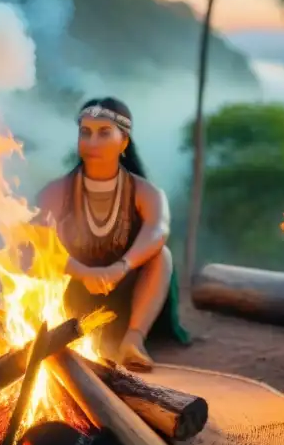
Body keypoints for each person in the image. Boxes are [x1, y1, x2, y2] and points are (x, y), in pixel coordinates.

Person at [35, 97, 191, 370]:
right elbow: (38, 242)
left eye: (104, 133)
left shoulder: (146, 193)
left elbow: (158, 230)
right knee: (31, 257)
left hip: (126, 291)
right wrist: (84, 272)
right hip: (72, 289)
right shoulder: (55, 192)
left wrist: (121, 267)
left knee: (161, 256)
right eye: (86, 133)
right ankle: (53, 334)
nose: (92, 142)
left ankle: (133, 340)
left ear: (124, 142)